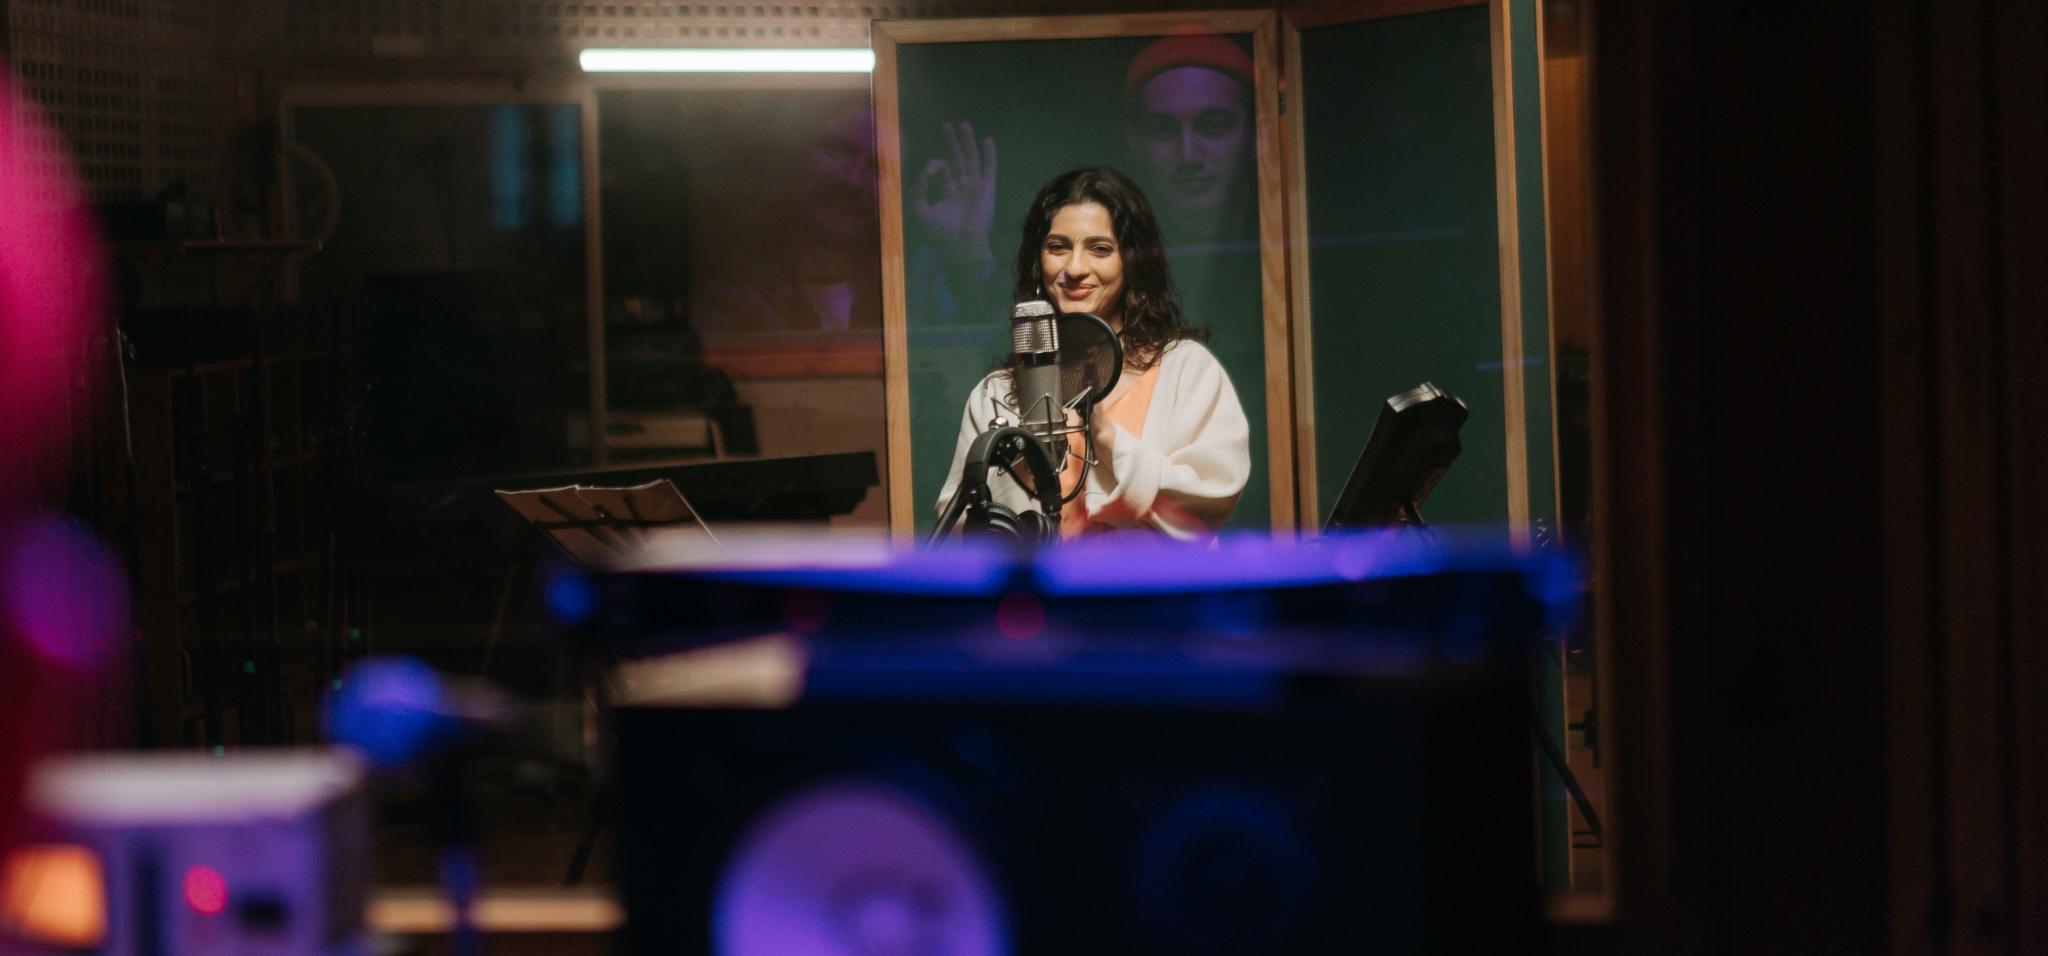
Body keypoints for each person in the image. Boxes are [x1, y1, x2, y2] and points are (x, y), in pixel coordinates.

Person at [933, 168, 1250, 540]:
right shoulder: (997, 394)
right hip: (1042, 597)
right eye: (1058, 247)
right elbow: (959, 525)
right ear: (1038, 261)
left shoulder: (1186, 369)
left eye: (1100, 249)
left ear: (1132, 260)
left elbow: (1213, 495)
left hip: (1153, 595)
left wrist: (1109, 440)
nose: (1075, 268)